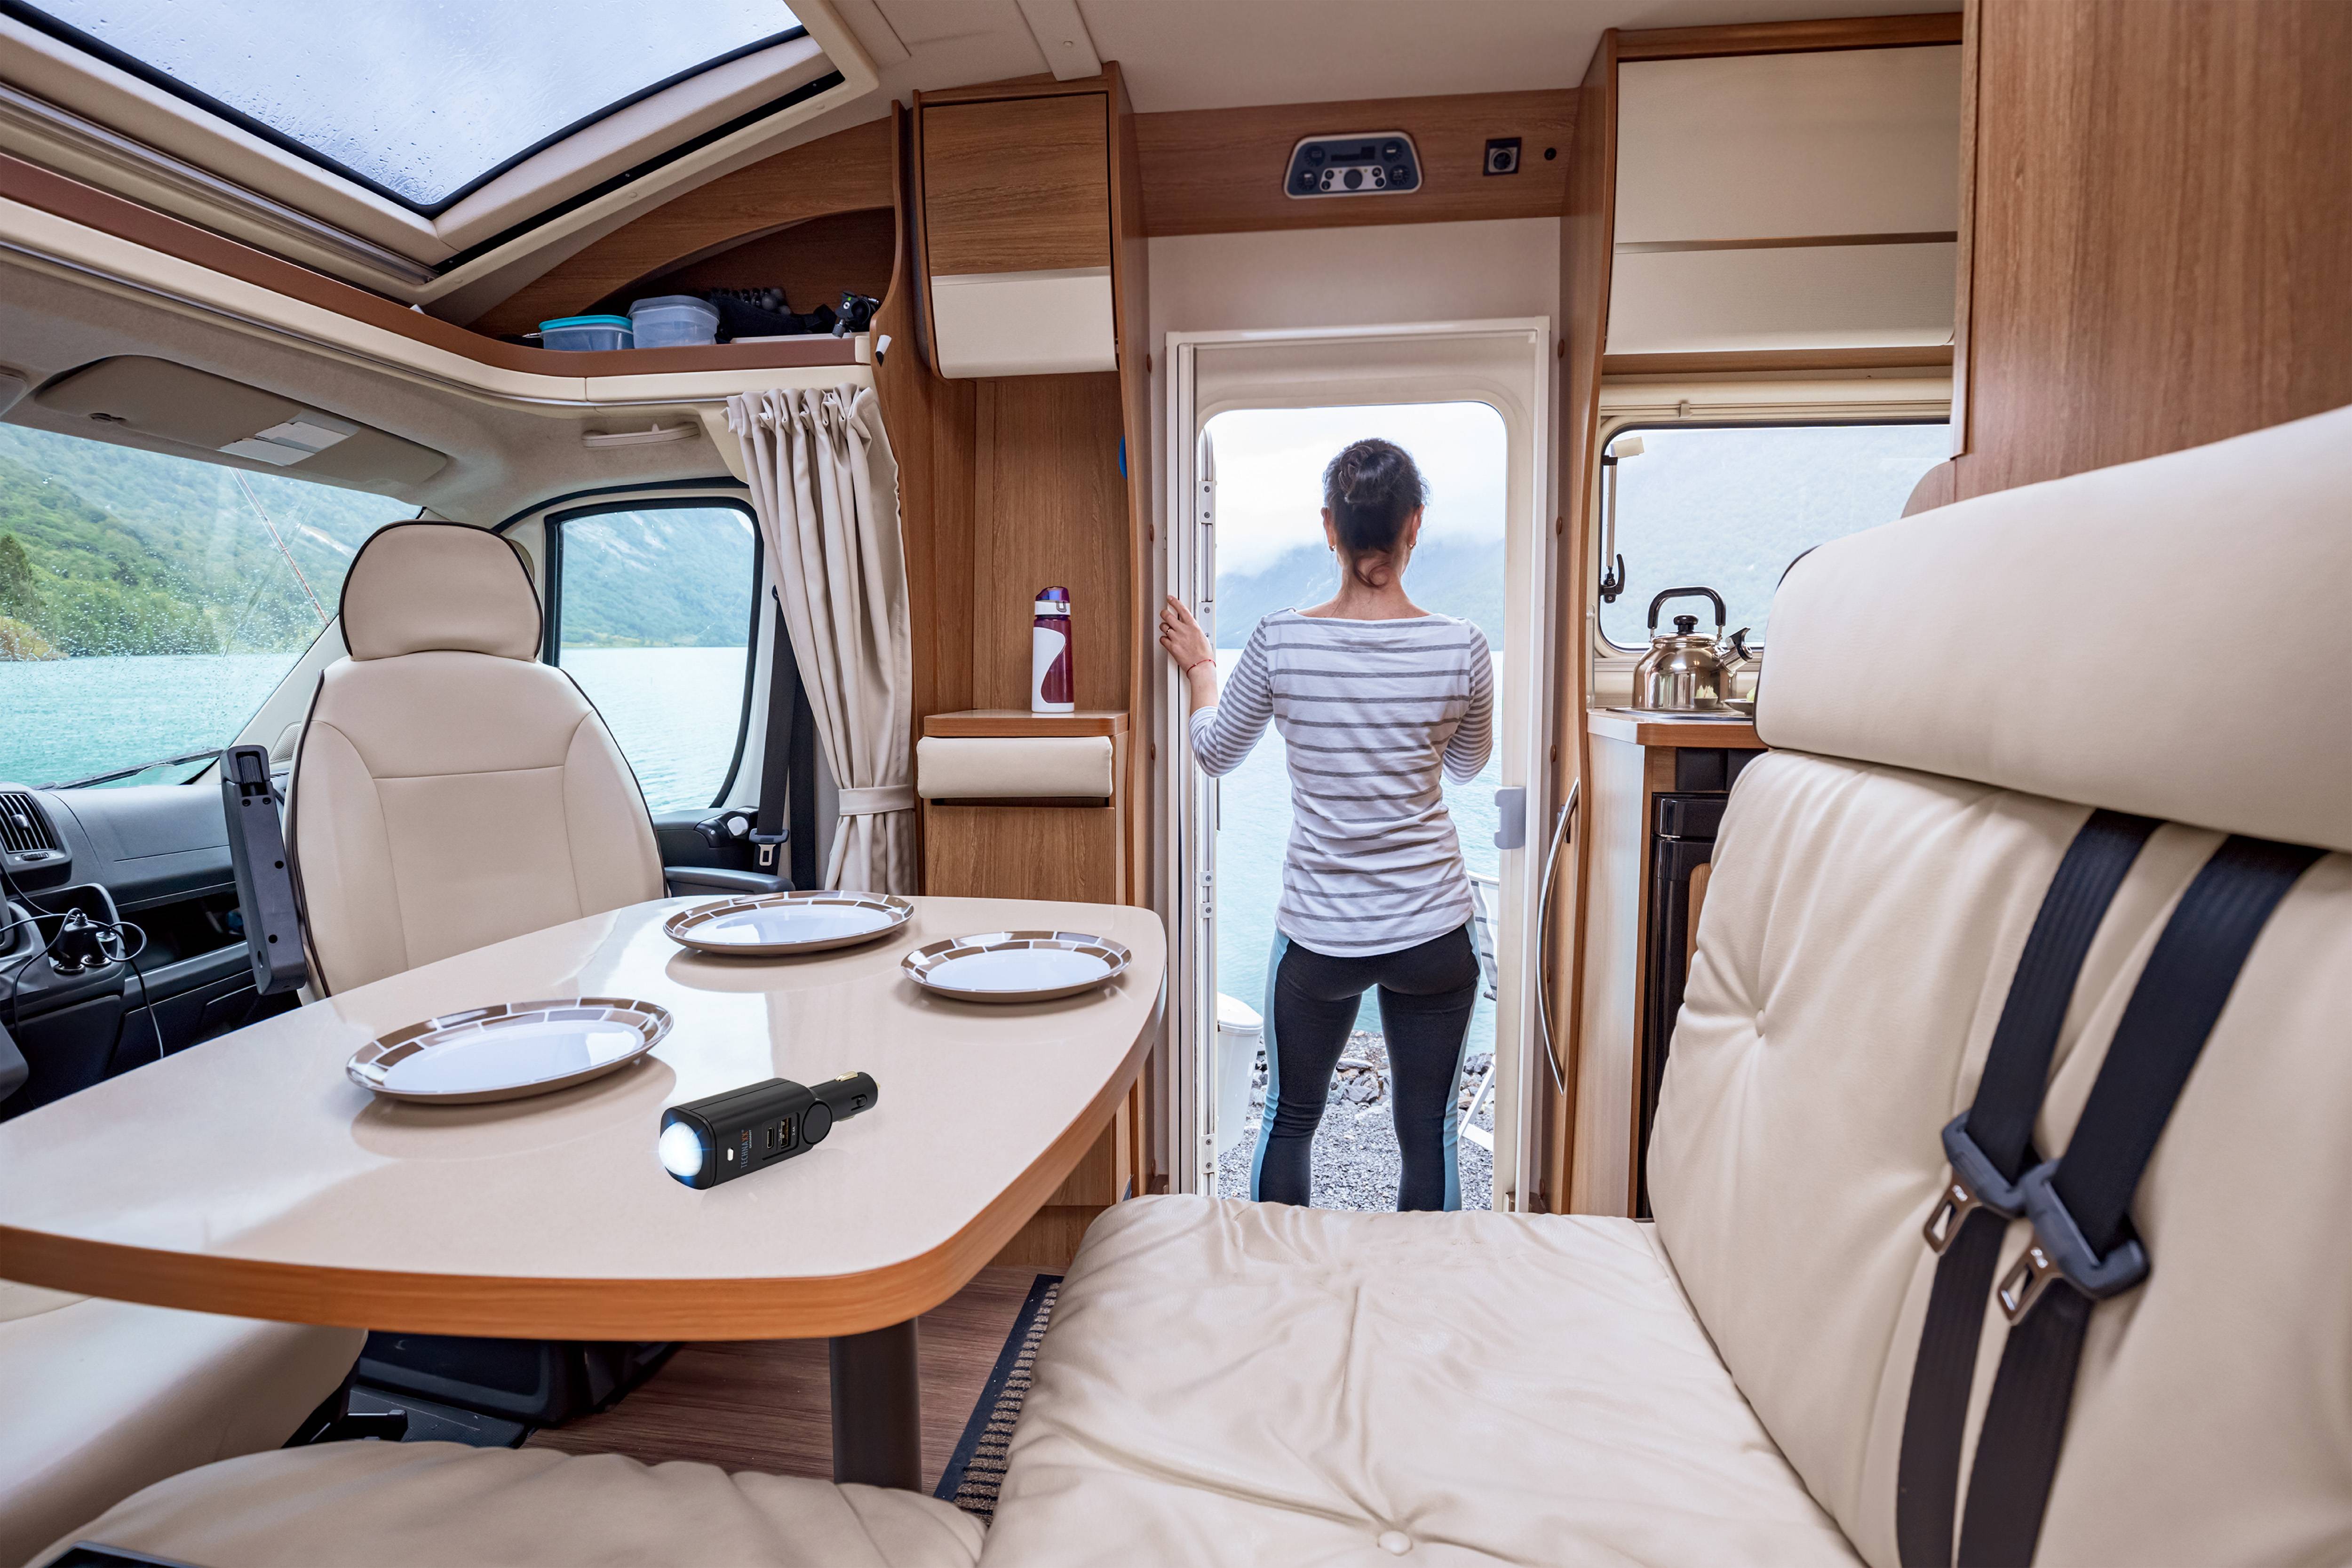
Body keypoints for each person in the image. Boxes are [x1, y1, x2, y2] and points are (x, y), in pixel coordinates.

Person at [1159, 437, 1494, 1211]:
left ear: (1328, 528)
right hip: (1435, 933)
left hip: (1319, 938)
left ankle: (1281, 1296)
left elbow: (1211, 752)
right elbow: (1468, 766)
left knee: (1291, 1117)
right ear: (1416, 525)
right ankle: (1422, 1303)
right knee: (1430, 1129)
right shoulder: (1465, 646)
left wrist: (1203, 668)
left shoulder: (1279, 640)